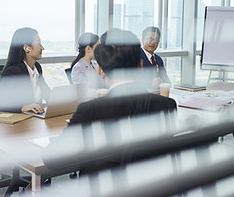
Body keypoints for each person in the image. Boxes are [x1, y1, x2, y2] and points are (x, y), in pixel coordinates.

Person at [43, 28, 177, 174]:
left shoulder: (90, 111)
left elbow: (52, 160)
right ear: (140, 66)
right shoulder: (167, 105)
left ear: (100, 71)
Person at [0, 27, 51, 113]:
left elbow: (46, 93)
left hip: (34, 118)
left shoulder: (37, 67)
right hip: (20, 122)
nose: (42, 48)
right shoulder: (13, 71)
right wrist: (22, 107)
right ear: (27, 48)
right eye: (39, 44)